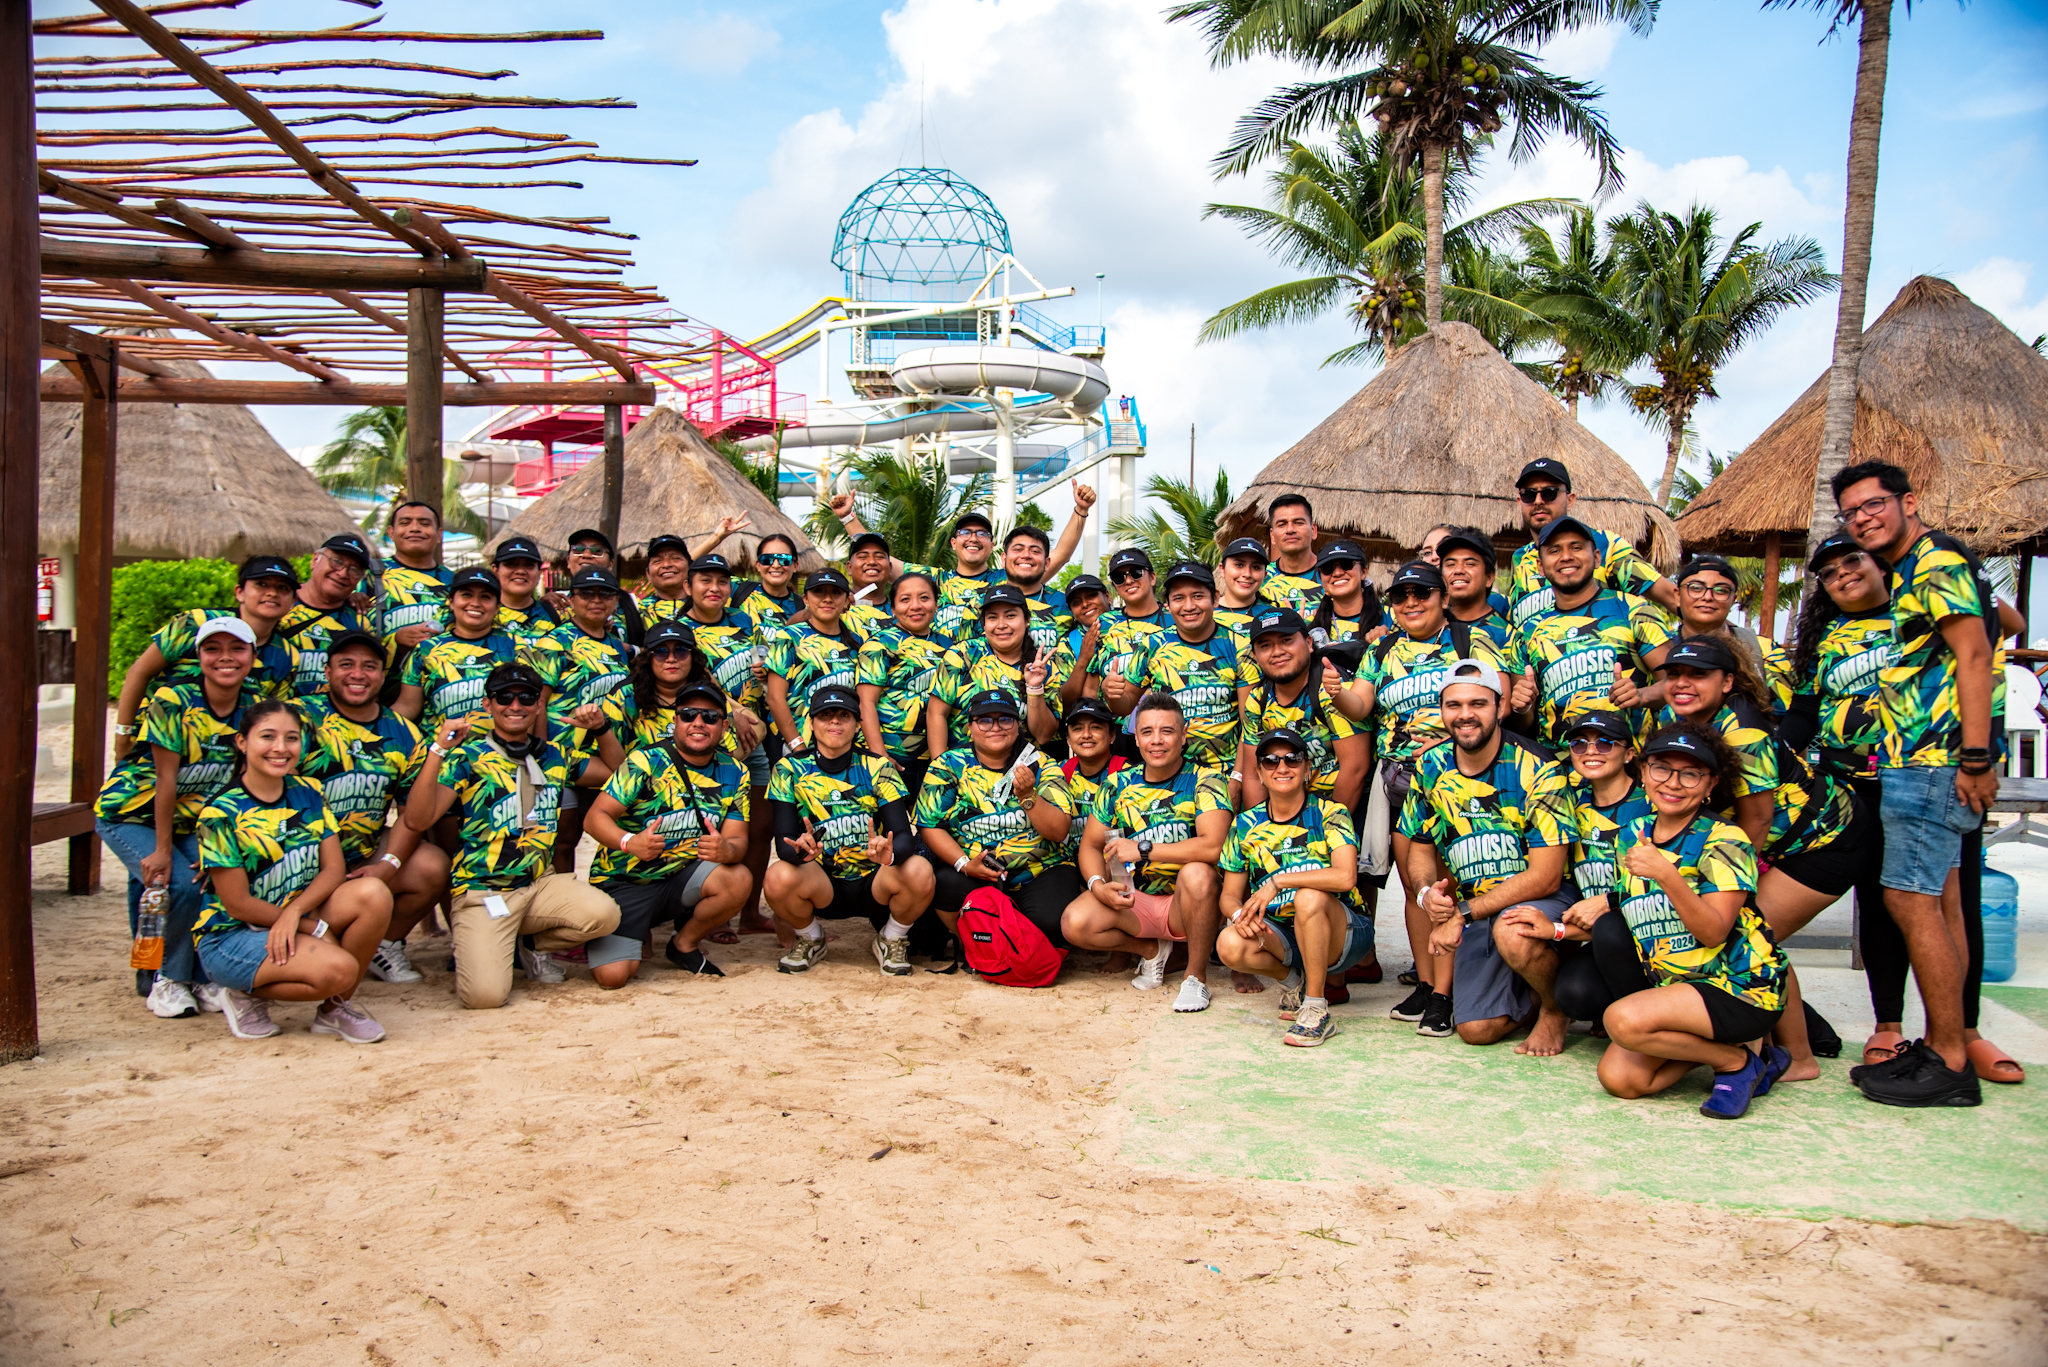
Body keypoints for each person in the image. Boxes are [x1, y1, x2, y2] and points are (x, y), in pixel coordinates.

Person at [1835, 461, 2002, 1106]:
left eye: (1874, 505)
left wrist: (1977, 757)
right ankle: (1943, 1041)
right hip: (1920, 757)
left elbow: (1977, 653)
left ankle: (1951, 1062)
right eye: (1853, 513)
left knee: (1910, 901)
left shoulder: (1934, 562)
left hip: (1935, 759)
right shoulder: (1915, 568)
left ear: (1909, 501)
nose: (1864, 519)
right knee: (1946, 901)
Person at [1655, 635, 1871, 1082]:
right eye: (1674, 674)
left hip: (1824, 838)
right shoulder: (1670, 713)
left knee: (1754, 935)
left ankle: (1799, 1057)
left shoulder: (1744, 731)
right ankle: (1773, 1043)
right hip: (1778, 841)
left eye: (1698, 675)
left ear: (1728, 681)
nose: (1682, 683)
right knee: (1746, 932)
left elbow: (1755, 820)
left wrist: (1727, 887)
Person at [1554, 722, 1792, 1120]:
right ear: (1643, 772)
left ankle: (1737, 1064)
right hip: (1676, 989)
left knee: (1621, 1019)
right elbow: (1632, 906)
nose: (1673, 783)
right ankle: (1745, 1057)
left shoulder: (1726, 838)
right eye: (1662, 768)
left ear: (1711, 783)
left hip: (1739, 988)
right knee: (1620, 1079)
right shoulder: (1633, 834)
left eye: (1690, 773)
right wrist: (1556, 929)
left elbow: (1714, 930)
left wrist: (1667, 874)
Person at [1342, 562, 1524, 1022]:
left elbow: (1497, 701)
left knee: (1447, 881)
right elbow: (1362, 704)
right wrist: (1336, 692)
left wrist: (1448, 742)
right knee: (1415, 886)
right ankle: (1426, 985)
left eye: (1422, 592)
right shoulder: (1383, 648)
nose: (1411, 602)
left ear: (1443, 597)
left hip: (1455, 775)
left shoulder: (1470, 640)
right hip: (1398, 779)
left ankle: (1448, 989)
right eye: (1401, 596)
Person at [403, 662, 620, 1008]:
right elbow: (417, 820)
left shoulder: (555, 755)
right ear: (488, 705)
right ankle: (488, 941)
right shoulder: (467, 758)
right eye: (504, 697)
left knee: (604, 914)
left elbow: (614, 772)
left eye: (526, 697)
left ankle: (529, 943)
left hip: (538, 884)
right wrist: (437, 750)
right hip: (484, 891)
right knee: (485, 998)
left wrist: (601, 729)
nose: (515, 706)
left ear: (538, 705)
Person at [1398, 659, 1577, 1050]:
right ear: (1442, 710)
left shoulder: (1540, 768)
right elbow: (1420, 850)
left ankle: (1556, 1007)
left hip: (1543, 900)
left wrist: (1462, 913)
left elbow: (1546, 876)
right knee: (1476, 1031)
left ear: (1500, 706)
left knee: (1511, 932)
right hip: (1480, 906)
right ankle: (1530, 992)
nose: (1465, 715)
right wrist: (1430, 896)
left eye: (1478, 704)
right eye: (1454, 705)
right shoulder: (1431, 765)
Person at [193, 700, 394, 1043]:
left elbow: (334, 869)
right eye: (267, 737)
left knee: (373, 894)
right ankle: (242, 994)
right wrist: (307, 925)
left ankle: (334, 1012)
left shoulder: (310, 791)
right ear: (242, 742)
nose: (280, 748)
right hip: (233, 935)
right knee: (342, 969)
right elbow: (238, 905)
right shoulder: (219, 813)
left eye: (291, 738)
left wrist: (297, 912)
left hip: (293, 912)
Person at [95, 616, 260, 1019]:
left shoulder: (253, 703)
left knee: (212, 879)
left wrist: (216, 847)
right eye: (212, 649)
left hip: (190, 817)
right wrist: (163, 851)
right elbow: (165, 781)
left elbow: (238, 780)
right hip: (131, 814)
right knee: (177, 885)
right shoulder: (174, 700)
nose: (225, 658)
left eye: (237, 649)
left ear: (253, 657)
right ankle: (166, 980)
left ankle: (196, 976)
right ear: (199, 656)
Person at [292, 628, 449, 987]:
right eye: (346, 664)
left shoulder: (403, 732)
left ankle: (384, 945)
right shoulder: (300, 719)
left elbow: (412, 815)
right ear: (328, 671)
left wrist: (387, 865)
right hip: (299, 862)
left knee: (433, 865)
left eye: (370, 666)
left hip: (359, 853)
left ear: (383, 675)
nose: (358, 674)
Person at [1060, 694, 1232, 1012]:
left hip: (1187, 904)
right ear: (1136, 738)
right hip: (1135, 900)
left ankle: (1196, 977)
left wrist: (1144, 849)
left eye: (1167, 731)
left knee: (1198, 873)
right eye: (1147, 732)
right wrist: (1099, 884)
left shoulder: (1205, 780)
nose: (1157, 741)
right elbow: (1090, 845)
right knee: (1075, 922)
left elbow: (1214, 846)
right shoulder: (1117, 784)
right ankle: (1151, 951)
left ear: (1183, 735)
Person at [581, 678, 753, 985]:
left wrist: (727, 851)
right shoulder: (644, 762)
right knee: (614, 977)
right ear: (675, 720)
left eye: (710, 717)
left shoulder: (736, 771)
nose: (698, 723)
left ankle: (683, 943)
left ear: (724, 726)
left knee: (738, 877)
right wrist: (629, 842)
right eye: (688, 715)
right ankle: (627, 932)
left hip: (682, 880)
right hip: (626, 881)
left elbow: (739, 840)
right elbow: (595, 818)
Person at [1217, 727, 1375, 1047]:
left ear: (1307, 770)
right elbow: (1229, 895)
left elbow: (1345, 877)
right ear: (1259, 773)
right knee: (1228, 944)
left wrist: (1279, 880)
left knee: (1309, 897)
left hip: (1343, 932)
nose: (1282, 767)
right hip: (1282, 934)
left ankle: (1316, 1008)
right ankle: (1294, 984)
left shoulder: (1331, 813)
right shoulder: (1245, 825)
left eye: (1293, 759)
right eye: (1271, 761)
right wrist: (1240, 916)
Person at [765, 684, 935, 976]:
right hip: (822, 881)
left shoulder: (878, 766)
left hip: (873, 880)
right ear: (811, 723)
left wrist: (889, 853)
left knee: (919, 869)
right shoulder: (788, 769)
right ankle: (810, 938)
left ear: (858, 724)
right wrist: (801, 849)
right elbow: (783, 845)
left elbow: (904, 837)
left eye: (843, 715)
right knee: (777, 876)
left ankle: (892, 938)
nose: (834, 722)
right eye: (825, 715)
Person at [915, 689, 1083, 961]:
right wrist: (964, 864)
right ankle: (977, 947)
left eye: (1005, 719)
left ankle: (1015, 945)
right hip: (977, 872)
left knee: (1050, 924)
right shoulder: (949, 765)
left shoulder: (1041, 764)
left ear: (1018, 726)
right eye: (985, 720)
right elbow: (929, 824)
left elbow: (1058, 830)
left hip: (1040, 870)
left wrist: (1029, 796)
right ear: (970, 727)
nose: (995, 727)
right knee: (944, 885)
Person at [115, 555, 300, 747]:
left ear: (294, 600)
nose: (272, 593)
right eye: (261, 584)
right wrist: (122, 735)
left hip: (223, 754)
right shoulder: (195, 623)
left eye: (282, 588)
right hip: (156, 738)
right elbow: (140, 672)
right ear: (240, 592)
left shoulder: (286, 655)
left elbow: (271, 716)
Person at [1518, 516, 1672, 748]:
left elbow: (1675, 683)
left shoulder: (1633, 610)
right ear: (1541, 566)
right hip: (1560, 773)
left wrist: (1643, 696)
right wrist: (1523, 707)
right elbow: (1525, 724)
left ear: (1597, 557)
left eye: (1577, 547)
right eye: (1554, 551)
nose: (1566, 556)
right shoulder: (1529, 632)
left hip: (1628, 766)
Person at [1548, 712, 1654, 1029]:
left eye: (1606, 743)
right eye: (1579, 744)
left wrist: (1610, 901)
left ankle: (1645, 1025)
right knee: (1575, 995)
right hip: (1602, 937)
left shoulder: (1653, 802)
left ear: (1629, 753)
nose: (1591, 751)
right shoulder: (1570, 803)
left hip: (1655, 929)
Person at [529, 566, 634, 873]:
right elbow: (536, 701)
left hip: (606, 745)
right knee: (563, 839)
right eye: (586, 593)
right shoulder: (553, 642)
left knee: (579, 834)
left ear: (616, 601)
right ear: (571, 599)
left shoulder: (615, 644)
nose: (596, 599)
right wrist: (540, 754)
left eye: (605, 594)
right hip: (561, 752)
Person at [1503, 459, 1678, 630]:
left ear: (1570, 500)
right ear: (1520, 502)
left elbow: (1671, 597)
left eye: (1549, 492)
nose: (1538, 501)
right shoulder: (1520, 558)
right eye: (1529, 494)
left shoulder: (1605, 544)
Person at [1114, 561, 1251, 771]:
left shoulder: (1239, 646)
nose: (1188, 606)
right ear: (1167, 604)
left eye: (1198, 596)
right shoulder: (1151, 646)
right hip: (1169, 773)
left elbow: (1249, 724)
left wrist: (1238, 778)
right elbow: (1124, 706)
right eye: (1178, 598)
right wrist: (1112, 694)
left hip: (1225, 770)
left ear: (1215, 598)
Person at [1238, 607, 1369, 816]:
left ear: (1309, 643)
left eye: (1286, 640)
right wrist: (1258, 831)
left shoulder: (1333, 688)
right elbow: (1254, 775)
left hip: (1341, 808)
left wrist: (1329, 830)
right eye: (1265, 646)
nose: (1277, 651)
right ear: (1255, 655)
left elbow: (1355, 769)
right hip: (1284, 812)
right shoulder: (1257, 699)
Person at [395, 566, 529, 740]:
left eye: (485, 597)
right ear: (451, 601)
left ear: (497, 607)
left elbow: (530, 706)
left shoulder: (515, 646)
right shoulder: (426, 650)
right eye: (466, 595)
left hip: (498, 758)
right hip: (442, 757)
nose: (475, 603)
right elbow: (407, 707)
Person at [930, 584, 1069, 750]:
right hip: (964, 767)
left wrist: (1035, 688)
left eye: (1010, 616)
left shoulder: (1043, 668)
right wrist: (941, 768)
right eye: (993, 617)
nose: (1001, 625)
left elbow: (1044, 736)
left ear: (1027, 620)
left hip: (1020, 769)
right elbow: (935, 714)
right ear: (984, 623)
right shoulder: (963, 654)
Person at [858, 572, 952, 797]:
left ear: (936, 604)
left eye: (924, 598)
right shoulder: (879, 645)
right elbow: (865, 703)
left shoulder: (949, 645)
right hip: (892, 752)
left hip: (936, 754)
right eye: (905, 599)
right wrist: (880, 756)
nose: (916, 606)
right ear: (892, 608)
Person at [765, 568, 865, 752]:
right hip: (798, 745)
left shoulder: (859, 643)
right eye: (819, 592)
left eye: (836, 592)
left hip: (844, 746)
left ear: (847, 600)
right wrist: (798, 746)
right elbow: (774, 698)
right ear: (805, 599)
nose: (827, 598)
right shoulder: (789, 637)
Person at [276, 533, 374, 696]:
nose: (343, 573)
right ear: (315, 559)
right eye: (337, 561)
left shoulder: (360, 623)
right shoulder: (277, 604)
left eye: (354, 570)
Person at [376, 500, 455, 690]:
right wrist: (396, 641)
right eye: (405, 523)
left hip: (439, 688)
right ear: (391, 533)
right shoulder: (370, 575)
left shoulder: (454, 582)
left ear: (438, 535)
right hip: (379, 692)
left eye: (424, 523)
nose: (415, 528)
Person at [544, 527, 644, 649]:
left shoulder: (632, 602)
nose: (586, 555)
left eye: (597, 551)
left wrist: (622, 649)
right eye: (578, 549)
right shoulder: (553, 603)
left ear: (610, 564)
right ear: (568, 561)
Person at [1095, 547, 1172, 686]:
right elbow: (1091, 685)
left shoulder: (1174, 618)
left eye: (1136, 573)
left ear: (1152, 578)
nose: (1129, 581)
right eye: (1119, 578)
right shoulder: (1104, 623)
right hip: (1113, 706)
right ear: (1115, 587)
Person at [1435, 527, 1517, 646]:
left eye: (1470, 564)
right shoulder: (1429, 627)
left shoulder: (1507, 637)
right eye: (1451, 564)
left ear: (1489, 577)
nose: (1458, 570)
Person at [1308, 539, 1386, 642]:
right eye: (1328, 568)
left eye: (1346, 564)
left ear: (1363, 572)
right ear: (1321, 579)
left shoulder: (1393, 618)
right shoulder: (1309, 626)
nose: (1337, 573)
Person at [1260, 494, 1323, 614]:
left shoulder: (1332, 575)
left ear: (1313, 530)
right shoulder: (1261, 577)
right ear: (1272, 536)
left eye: (1298, 522)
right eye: (1282, 524)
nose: (1290, 530)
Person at [491, 536, 560, 638]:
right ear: (495, 571)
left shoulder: (554, 614)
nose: (520, 571)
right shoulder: (482, 614)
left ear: (539, 573)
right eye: (511, 564)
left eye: (528, 565)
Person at [731, 532, 804, 625]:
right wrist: (717, 538)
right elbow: (706, 578)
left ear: (795, 566)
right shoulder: (737, 589)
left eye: (784, 559)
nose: (776, 565)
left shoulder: (801, 607)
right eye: (767, 559)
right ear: (758, 565)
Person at [1061, 573, 1111, 700]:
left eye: (1091, 596)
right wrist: (1083, 659)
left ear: (1107, 596)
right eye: (1076, 602)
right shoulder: (1068, 643)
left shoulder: (1130, 625)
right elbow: (1065, 703)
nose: (1084, 604)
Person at [842, 531, 898, 637]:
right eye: (863, 556)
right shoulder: (834, 605)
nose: (872, 562)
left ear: (890, 568)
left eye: (879, 556)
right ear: (849, 567)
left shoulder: (902, 611)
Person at [636, 533, 696, 629]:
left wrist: (718, 537)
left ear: (690, 567)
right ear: (648, 574)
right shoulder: (637, 610)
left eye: (675, 558)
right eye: (657, 561)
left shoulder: (707, 604)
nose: (666, 565)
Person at [1214, 537, 1271, 636]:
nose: (1247, 574)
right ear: (1222, 569)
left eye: (1256, 567)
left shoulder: (1272, 615)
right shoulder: (1204, 614)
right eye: (1239, 565)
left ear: (1264, 575)